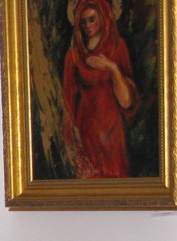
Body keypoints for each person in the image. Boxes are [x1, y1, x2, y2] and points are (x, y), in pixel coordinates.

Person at [62, 0, 138, 178]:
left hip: (112, 130)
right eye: (83, 22)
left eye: (92, 19)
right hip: (86, 129)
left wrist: (112, 68)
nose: (88, 26)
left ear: (103, 17)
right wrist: (70, 141)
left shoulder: (117, 47)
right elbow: (67, 102)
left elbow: (127, 101)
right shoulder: (73, 56)